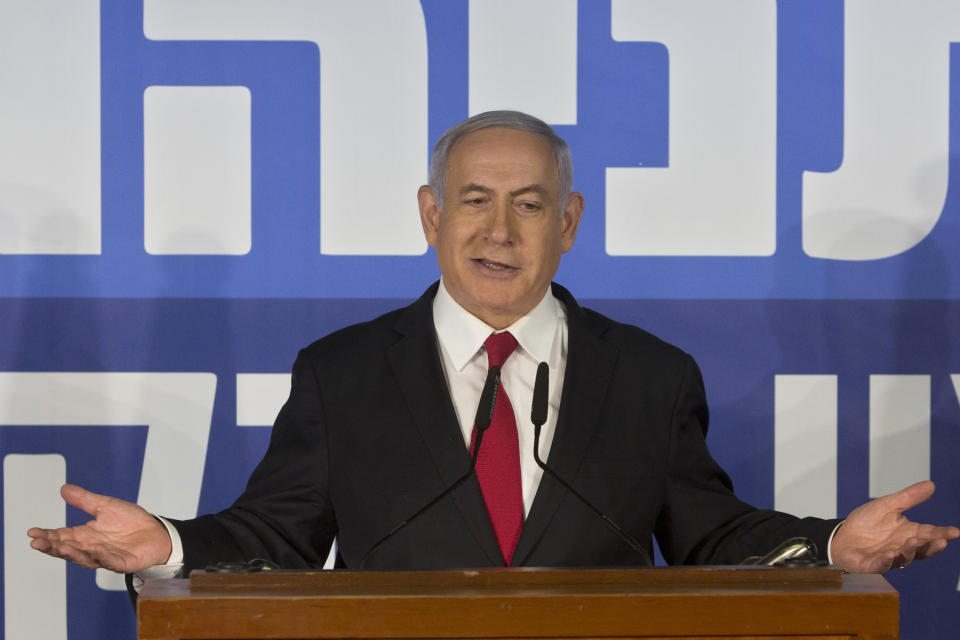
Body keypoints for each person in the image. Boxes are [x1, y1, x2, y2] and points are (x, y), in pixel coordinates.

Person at [28, 111, 957, 579]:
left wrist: (832, 544)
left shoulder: (650, 376)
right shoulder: (342, 373)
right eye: (474, 200)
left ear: (570, 223)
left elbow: (709, 533)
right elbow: (275, 534)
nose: (499, 230)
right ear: (431, 216)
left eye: (529, 204)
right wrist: (170, 549)